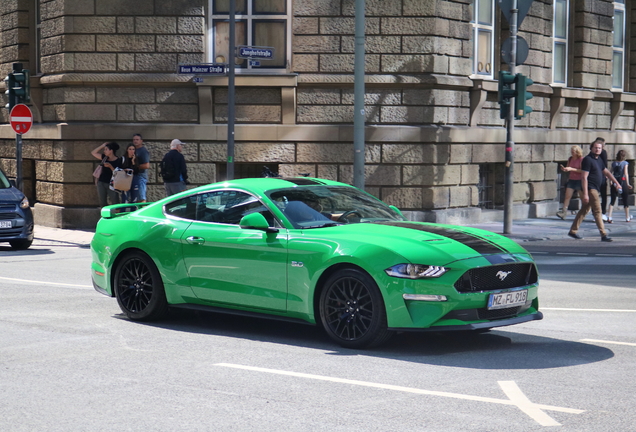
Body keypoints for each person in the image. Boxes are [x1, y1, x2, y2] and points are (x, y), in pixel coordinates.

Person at [568, 139, 622, 242]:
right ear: (591, 148)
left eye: (599, 148)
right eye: (596, 148)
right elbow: (584, 177)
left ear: (602, 149)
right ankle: (603, 234)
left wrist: (617, 183)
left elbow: (606, 172)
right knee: (598, 211)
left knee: (584, 210)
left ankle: (573, 231)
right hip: (590, 189)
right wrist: (585, 194)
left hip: (595, 189)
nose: (597, 149)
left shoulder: (599, 160)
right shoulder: (588, 160)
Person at [557, 145, 584, 220]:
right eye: (571, 151)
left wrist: (572, 169)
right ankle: (563, 212)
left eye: (574, 151)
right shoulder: (570, 158)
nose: (572, 152)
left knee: (582, 197)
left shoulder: (581, 159)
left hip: (579, 180)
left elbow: (582, 170)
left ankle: (583, 212)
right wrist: (565, 169)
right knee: (567, 196)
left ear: (577, 152)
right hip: (572, 179)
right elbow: (568, 168)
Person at [91, 142, 122, 207]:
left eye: (106, 149)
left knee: (115, 202)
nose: (104, 151)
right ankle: (104, 216)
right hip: (101, 182)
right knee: (102, 202)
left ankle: (117, 215)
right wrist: (102, 146)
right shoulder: (104, 158)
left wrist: (110, 167)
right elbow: (93, 152)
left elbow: (118, 174)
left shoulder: (118, 160)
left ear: (111, 151)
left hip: (112, 184)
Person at [607, 149, 633, 223]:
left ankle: (609, 216)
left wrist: (610, 181)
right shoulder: (625, 163)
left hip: (615, 181)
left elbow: (610, 173)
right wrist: (627, 183)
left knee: (612, 200)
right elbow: (626, 173)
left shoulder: (614, 163)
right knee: (625, 200)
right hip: (622, 181)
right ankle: (627, 217)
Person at [131, 133, 150, 202]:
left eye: (137, 139)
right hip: (134, 176)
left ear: (141, 141)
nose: (135, 141)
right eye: (134, 140)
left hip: (141, 177)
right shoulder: (133, 150)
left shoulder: (143, 151)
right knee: (136, 198)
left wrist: (135, 166)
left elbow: (147, 165)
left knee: (141, 198)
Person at [595, 137, 610, 221]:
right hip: (598, 177)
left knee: (601, 195)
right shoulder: (602, 153)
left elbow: (604, 166)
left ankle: (602, 213)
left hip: (601, 176)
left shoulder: (602, 153)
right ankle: (600, 213)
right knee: (599, 195)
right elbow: (605, 164)